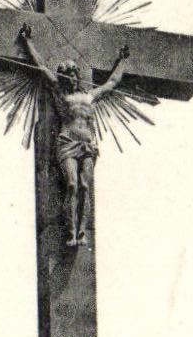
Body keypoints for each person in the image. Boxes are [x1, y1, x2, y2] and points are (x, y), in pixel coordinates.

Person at [18, 23, 130, 246]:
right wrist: (27, 41)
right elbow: (41, 67)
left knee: (85, 187)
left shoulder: (90, 95)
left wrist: (123, 60)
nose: (71, 78)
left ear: (78, 76)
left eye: (73, 74)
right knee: (72, 185)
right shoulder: (60, 94)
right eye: (67, 75)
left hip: (87, 145)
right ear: (63, 78)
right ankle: (70, 231)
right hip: (68, 143)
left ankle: (81, 232)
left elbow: (112, 82)